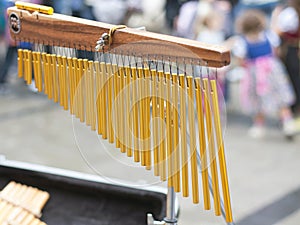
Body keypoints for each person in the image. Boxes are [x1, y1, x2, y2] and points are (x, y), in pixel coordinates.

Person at [232, 9, 297, 138]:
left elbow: (241, 61)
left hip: (255, 74)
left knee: (258, 99)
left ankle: (259, 125)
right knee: (280, 97)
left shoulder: (242, 42)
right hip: (273, 70)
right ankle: (287, 122)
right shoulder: (269, 36)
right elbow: (276, 52)